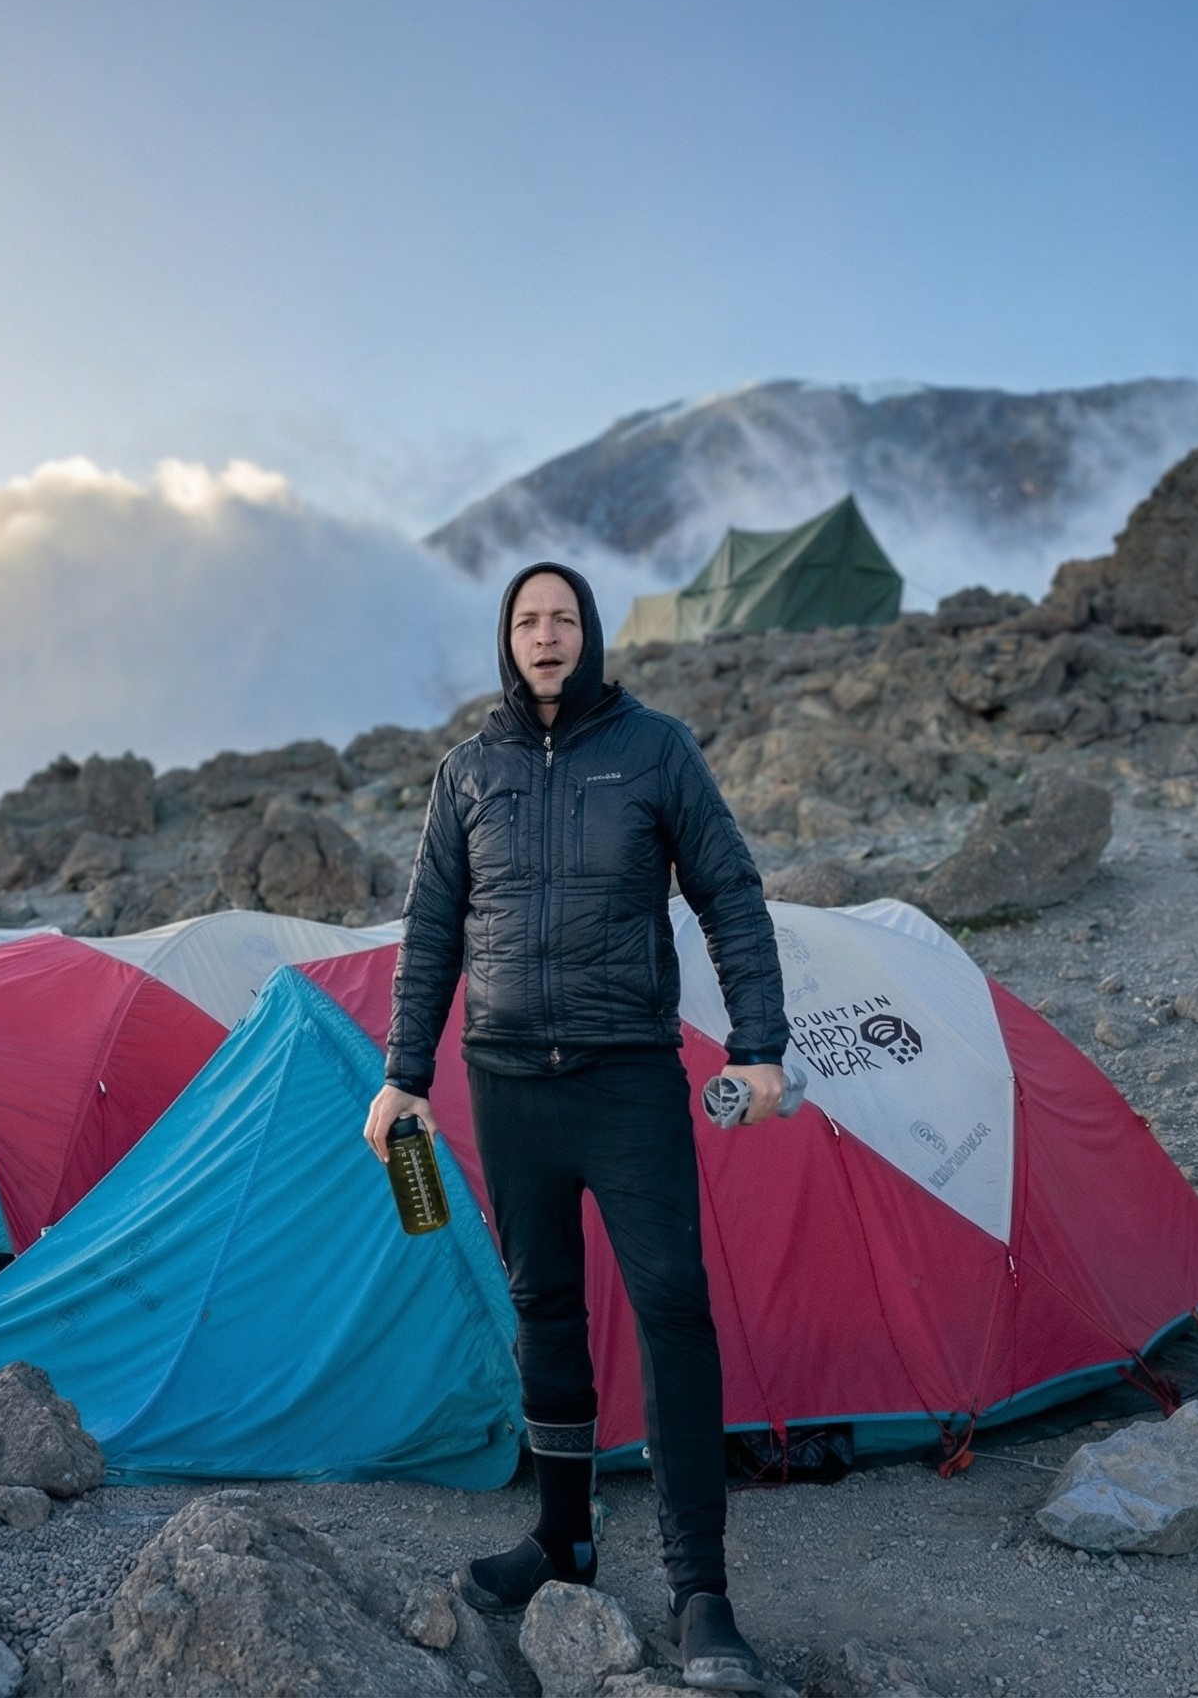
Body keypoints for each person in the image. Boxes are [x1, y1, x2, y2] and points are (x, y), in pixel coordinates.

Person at [364, 562, 791, 1695]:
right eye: (525, 620)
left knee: (671, 1304)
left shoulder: (654, 749)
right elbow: (432, 929)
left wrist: (760, 1045)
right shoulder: (469, 770)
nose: (545, 635)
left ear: (589, 633)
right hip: (508, 1083)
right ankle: (563, 1536)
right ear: (506, 641)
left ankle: (701, 1587)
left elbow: (730, 892)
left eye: (562, 618)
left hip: (628, 1077)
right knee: (543, 1304)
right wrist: (405, 1074)